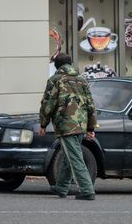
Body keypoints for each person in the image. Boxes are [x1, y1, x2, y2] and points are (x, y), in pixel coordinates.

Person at [38, 53, 97, 201]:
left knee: (75, 157)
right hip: (81, 123)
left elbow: (48, 103)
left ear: (56, 66)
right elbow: (91, 105)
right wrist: (91, 128)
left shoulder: (55, 80)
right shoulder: (82, 80)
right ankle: (61, 187)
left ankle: (87, 190)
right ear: (70, 64)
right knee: (67, 155)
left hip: (66, 124)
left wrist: (43, 124)